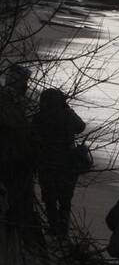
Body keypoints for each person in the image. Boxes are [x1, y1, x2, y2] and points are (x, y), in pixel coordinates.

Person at [31, 87, 85, 236]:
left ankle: (53, 227)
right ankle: (62, 230)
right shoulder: (67, 115)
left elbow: (32, 137)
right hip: (67, 164)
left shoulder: (39, 117)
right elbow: (81, 127)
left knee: (49, 199)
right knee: (65, 200)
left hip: (46, 163)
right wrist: (68, 109)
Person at [0, 64, 40, 241]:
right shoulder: (9, 99)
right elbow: (15, 127)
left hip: (14, 156)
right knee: (15, 197)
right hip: (11, 156)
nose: (26, 85)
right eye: (24, 81)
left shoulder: (13, 99)